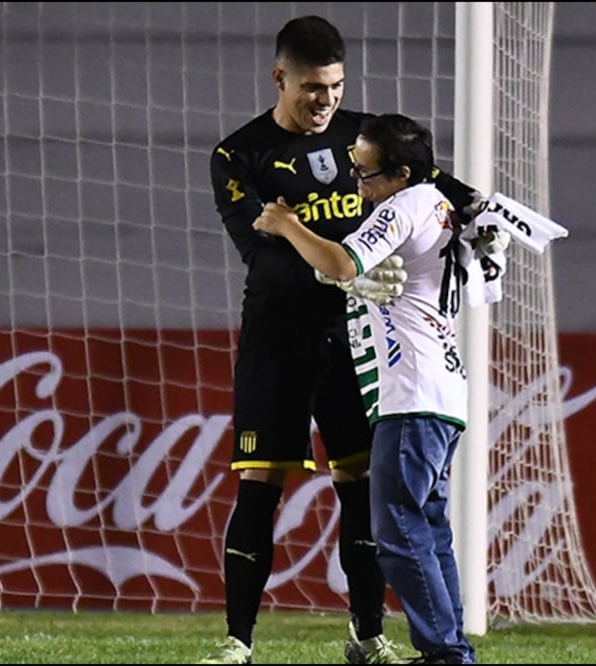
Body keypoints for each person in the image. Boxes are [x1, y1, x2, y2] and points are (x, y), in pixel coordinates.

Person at [200, 15, 480, 666]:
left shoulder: (366, 138)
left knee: (361, 487)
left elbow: (428, 180)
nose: (324, 99)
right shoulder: (238, 155)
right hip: (278, 336)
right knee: (259, 485)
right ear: (280, 78)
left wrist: (474, 205)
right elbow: (260, 254)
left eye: (334, 86)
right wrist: (348, 276)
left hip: (358, 341)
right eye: (311, 88)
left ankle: (368, 636)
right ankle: (237, 644)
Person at [252, 112, 479, 664]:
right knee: (427, 527)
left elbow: (342, 260)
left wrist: (285, 223)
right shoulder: (437, 204)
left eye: (366, 174)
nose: (357, 184)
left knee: (396, 528)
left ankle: (446, 654)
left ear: (401, 174)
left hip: (412, 390)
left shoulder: (404, 205)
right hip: (440, 389)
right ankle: (450, 649)